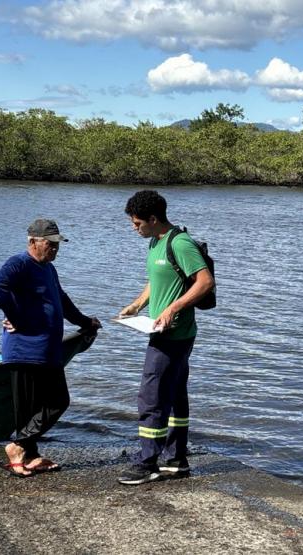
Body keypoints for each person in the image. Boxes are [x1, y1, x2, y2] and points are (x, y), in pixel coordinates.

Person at [0, 218, 101, 477]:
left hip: (47, 350)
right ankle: (19, 448)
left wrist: (85, 321)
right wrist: (16, 317)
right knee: (40, 405)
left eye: (57, 244)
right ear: (32, 242)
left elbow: (61, 300)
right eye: (49, 244)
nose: (54, 249)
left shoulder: (48, 269)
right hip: (25, 349)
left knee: (54, 401)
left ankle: (31, 454)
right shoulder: (19, 263)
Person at [117, 190, 215, 485]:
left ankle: (147, 463)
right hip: (160, 330)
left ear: (153, 218)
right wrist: (137, 305)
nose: (134, 228)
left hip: (174, 335)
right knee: (173, 394)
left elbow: (205, 281)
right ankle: (175, 460)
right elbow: (157, 280)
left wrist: (174, 307)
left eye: (137, 223)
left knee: (152, 397)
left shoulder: (180, 243)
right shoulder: (155, 242)